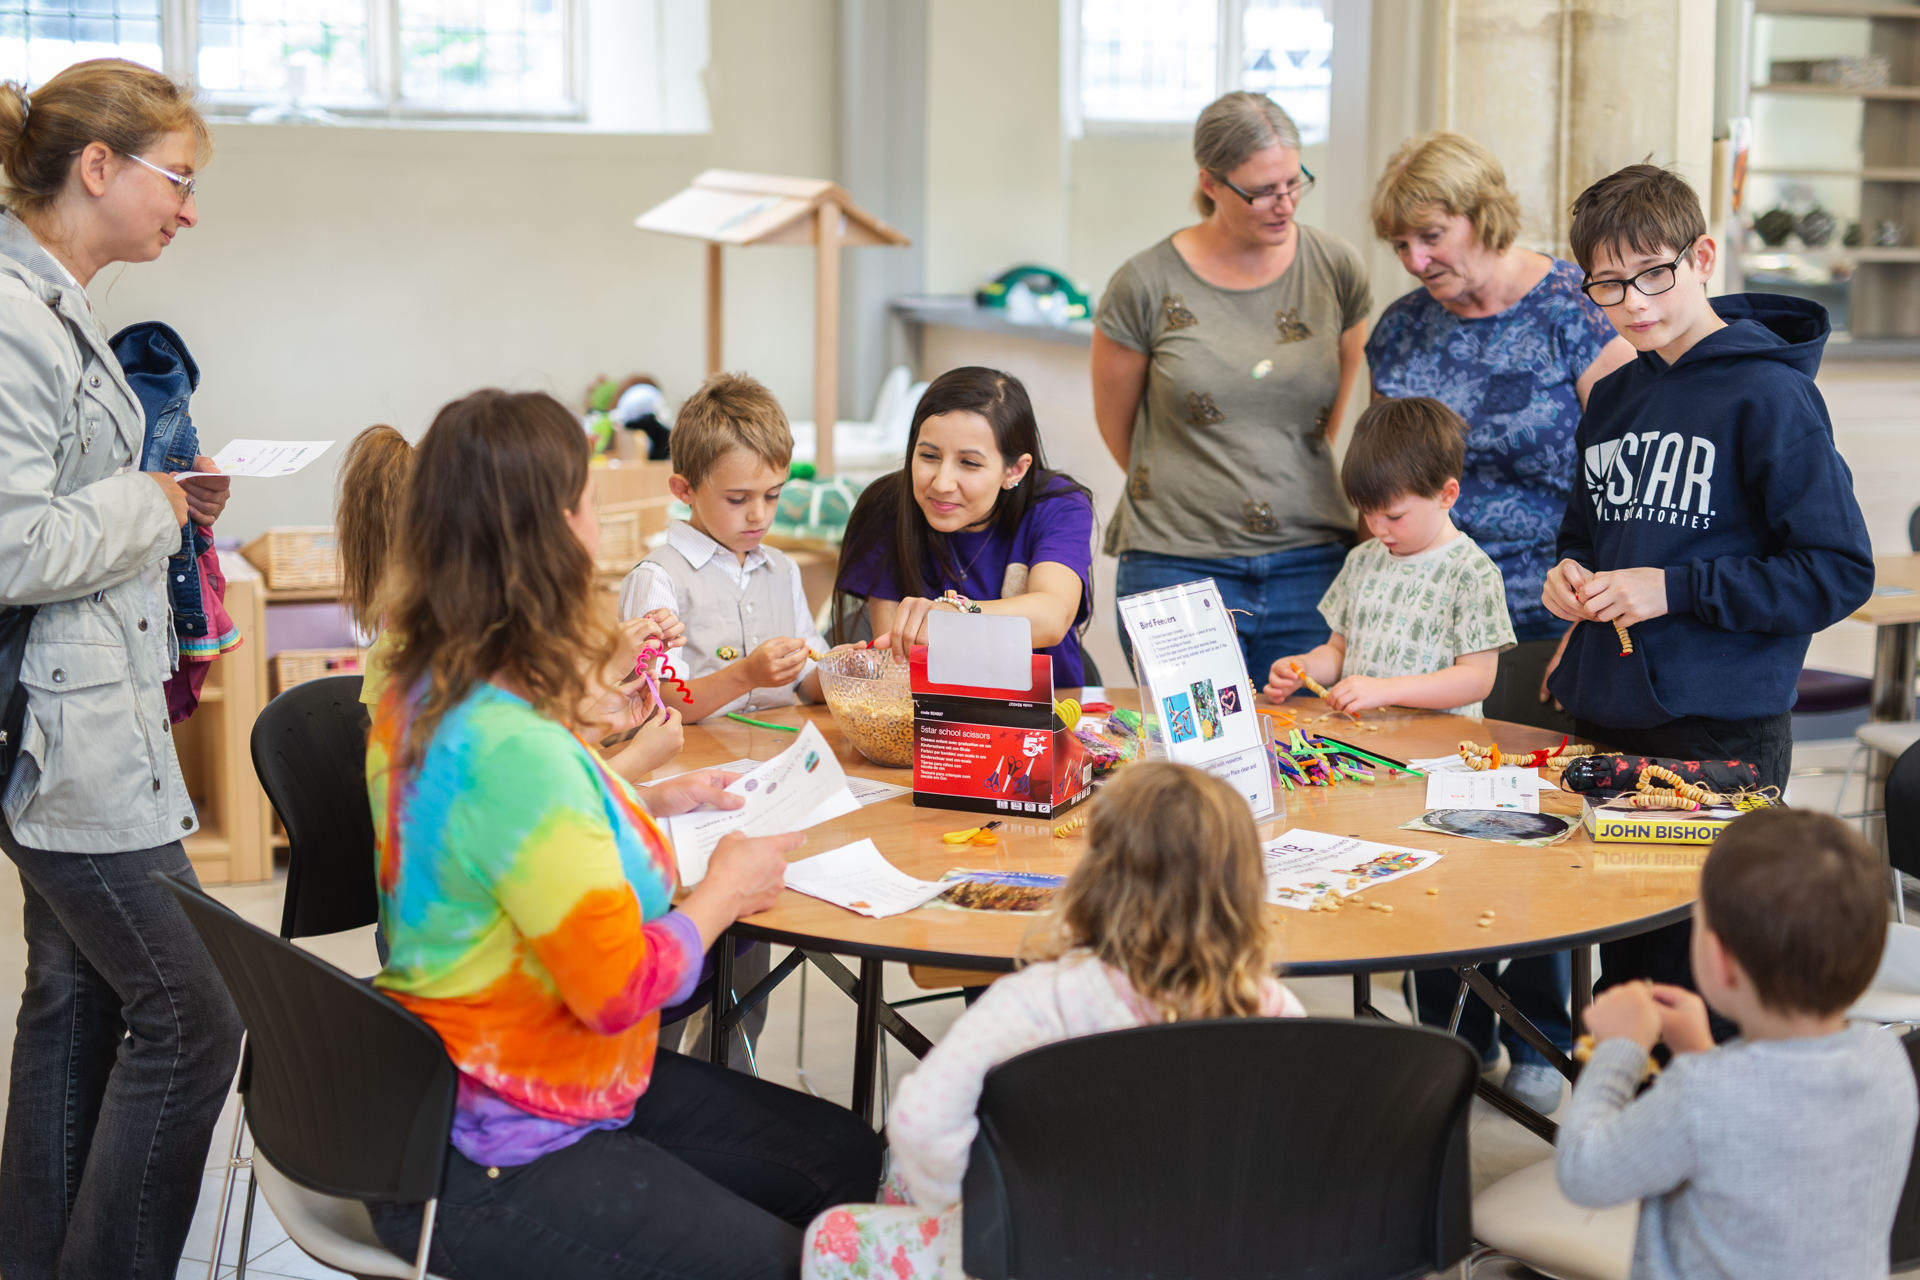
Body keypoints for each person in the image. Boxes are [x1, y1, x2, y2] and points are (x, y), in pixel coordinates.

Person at [363, 388, 882, 1278]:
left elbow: (512, 822)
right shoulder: (510, 748)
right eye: (590, 500)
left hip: (485, 1084)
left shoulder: (428, 690)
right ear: (561, 529)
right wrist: (725, 892)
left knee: (842, 1157)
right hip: (507, 1144)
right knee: (800, 1252)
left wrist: (640, 790)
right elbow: (624, 987)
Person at [0, 62, 245, 1279]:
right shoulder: (11, 312)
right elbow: (11, 541)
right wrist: (151, 501)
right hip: (68, 739)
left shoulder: (59, 301)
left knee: (74, 1004)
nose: (188, 211)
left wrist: (160, 494)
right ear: (98, 167)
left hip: (88, 716)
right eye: (177, 179)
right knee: (198, 1018)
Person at [1545, 164, 1875, 1014]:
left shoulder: (1772, 395)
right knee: (1624, 984)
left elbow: (1837, 571)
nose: (1633, 302)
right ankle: (1629, 1137)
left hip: (1720, 733)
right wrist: (1571, 574)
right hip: (1609, 716)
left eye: (1652, 274)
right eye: (1608, 285)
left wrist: (1676, 589)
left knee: (1703, 988)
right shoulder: (1614, 394)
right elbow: (1591, 531)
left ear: (1701, 256)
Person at [799, 762, 1306, 1279]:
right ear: (1247, 888)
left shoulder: (1037, 1002)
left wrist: (972, 1213)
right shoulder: (1276, 1012)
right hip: (1204, 1251)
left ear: (1097, 876)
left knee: (835, 1235)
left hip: (1041, 1247)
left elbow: (918, 1124)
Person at [1557, 809, 1916, 1280]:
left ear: (1721, 964)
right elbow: (1762, 1133)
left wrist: (1619, 1051)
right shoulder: (1887, 1058)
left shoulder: (1700, 1094)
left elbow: (1584, 1172)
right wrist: (1700, 1051)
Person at [1093, 90, 1371, 677]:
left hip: (1312, 561)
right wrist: (1197, 488)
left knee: (1311, 760)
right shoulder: (1143, 283)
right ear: (1211, 184)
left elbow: (1331, 411)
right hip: (1174, 562)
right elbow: (1116, 425)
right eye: (1262, 191)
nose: (1285, 203)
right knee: (1192, 761)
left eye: (1295, 183)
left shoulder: (1335, 268)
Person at [1365, 131, 1634, 729]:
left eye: (1430, 237)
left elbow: (1630, 492)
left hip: (1548, 624)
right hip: (1425, 634)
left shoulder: (1578, 309)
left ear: (1483, 216)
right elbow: (1381, 482)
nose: (1415, 260)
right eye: (1400, 245)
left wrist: (1591, 627)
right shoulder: (1401, 329)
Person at [834, 366, 1097, 684]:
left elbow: (1053, 615)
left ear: (1014, 470)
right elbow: (896, 666)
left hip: (1051, 712)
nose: (942, 483)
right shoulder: (887, 509)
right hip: (934, 716)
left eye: (969, 463)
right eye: (929, 456)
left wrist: (951, 618)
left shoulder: (1058, 505)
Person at [1263, 396, 1513, 718]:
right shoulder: (1361, 560)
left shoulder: (1472, 571)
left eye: (1394, 516)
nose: (1379, 529)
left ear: (1446, 495)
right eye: (1368, 513)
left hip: (1439, 753)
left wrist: (1386, 689)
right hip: (1364, 744)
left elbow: (1477, 679)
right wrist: (1305, 667)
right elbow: (1339, 651)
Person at [619, 371, 829, 724]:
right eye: (737, 499)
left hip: (775, 760)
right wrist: (746, 674)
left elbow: (807, 683)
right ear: (684, 490)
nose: (759, 514)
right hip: (690, 768)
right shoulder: (659, 579)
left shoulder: (783, 570)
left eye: (773, 494)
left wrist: (850, 669)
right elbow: (656, 701)